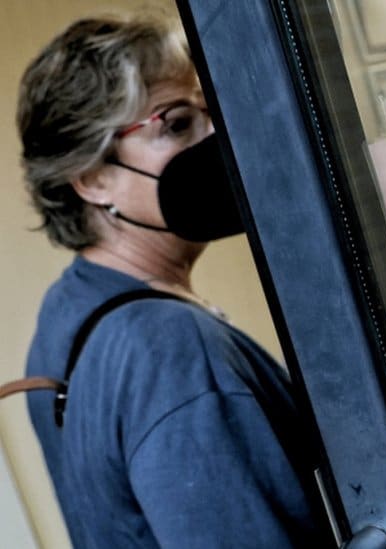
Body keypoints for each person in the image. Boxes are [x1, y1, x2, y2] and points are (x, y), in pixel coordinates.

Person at [16, 13, 325, 548]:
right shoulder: (171, 349)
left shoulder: (66, 312)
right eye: (178, 123)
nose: (216, 138)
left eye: (211, 111)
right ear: (92, 178)